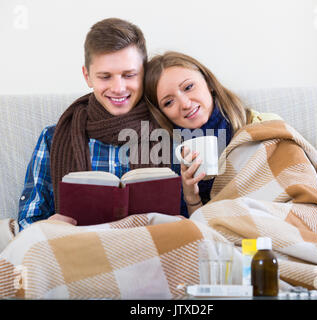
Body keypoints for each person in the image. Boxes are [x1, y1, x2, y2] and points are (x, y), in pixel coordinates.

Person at [18, 18, 166, 230]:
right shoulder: (53, 138)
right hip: (78, 253)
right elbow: (27, 221)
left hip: (151, 252)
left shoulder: (166, 131)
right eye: (105, 77)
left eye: (129, 75)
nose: (118, 87)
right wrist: (47, 227)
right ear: (87, 76)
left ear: (144, 74)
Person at [144, 51, 281, 216]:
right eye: (169, 102)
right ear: (162, 113)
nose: (185, 104)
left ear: (208, 82)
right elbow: (203, 231)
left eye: (188, 87)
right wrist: (191, 196)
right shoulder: (170, 158)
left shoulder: (262, 125)